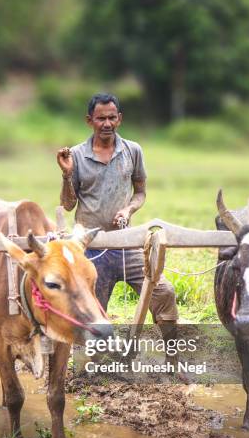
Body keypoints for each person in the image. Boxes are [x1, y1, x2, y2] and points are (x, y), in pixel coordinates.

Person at [57, 93, 178, 352]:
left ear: (120, 119)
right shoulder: (76, 155)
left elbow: (141, 192)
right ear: (89, 120)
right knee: (92, 310)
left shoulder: (132, 151)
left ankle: (173, 357)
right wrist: (67, 176)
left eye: (112, 117)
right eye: (101, 118)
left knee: (164, 292)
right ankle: (94, 364)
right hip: (92, 248)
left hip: (126, 243)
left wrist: (128, 209)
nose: (107, 123)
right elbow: (68, 205)